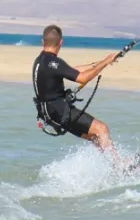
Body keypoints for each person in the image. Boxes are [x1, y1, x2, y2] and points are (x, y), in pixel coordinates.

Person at [32, 24, 125, 156]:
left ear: (43, 42)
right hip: (59, 111)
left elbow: (69, 70)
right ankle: (121, 167)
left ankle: (115, 167)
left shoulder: (41, 60)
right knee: (101, 128)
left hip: (49, 113)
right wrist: (105, 62)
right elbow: (82, 78)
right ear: (61, 42)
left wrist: (99, 63)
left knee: (94, 136)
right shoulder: (53, 62)